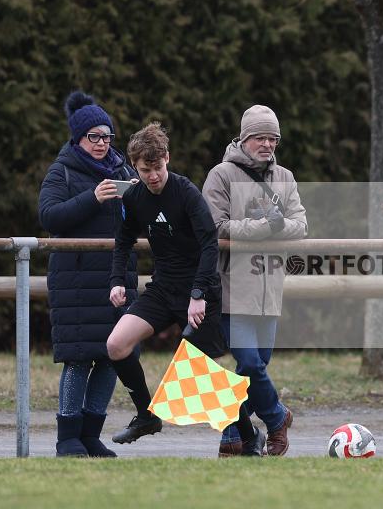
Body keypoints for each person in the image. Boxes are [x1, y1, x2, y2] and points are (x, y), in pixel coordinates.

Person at [105, 121, 227, 444]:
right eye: (145, 170)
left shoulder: (187, 194)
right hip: (163, 290)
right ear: (135, 166)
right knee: (116, 345)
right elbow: (123, 240)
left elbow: (209, 244)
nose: (153, 176)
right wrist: (117, 280)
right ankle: (146, 417)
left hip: (200, 292)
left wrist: (199, 294)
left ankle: (248, 433)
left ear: (167, 159)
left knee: (194, 371)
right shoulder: (133, 198)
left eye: (157, 167)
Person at [38, 91, 140, 458]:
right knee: (79, 358)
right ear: (78, 138)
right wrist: (93, 198)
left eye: (107, 136)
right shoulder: (61, 170)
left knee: (116, 355)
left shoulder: (124, 171)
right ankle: (67, 437)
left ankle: (91, 433)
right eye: (94, 137)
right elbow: (49, 216)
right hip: (76, 280)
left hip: (118, 276)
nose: (102, 144)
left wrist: (139, 198)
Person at [202, 105, 307, 457]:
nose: (267, 144)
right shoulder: (220, 175)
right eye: (260, 137)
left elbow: (300, 225)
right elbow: (215, 228)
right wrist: (266, 227)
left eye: (272, 138)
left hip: (270, 285)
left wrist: (274, 227)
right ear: (244, 139)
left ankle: (233, 435)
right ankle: (277, 418)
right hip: (233, 286)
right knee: (248, 362)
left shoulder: (285, 177)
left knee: (253, 369)